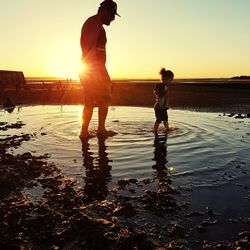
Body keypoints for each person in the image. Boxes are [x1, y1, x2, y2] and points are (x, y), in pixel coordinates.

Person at [79, 0, 120, 138]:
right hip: (92, 70)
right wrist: (94, 74)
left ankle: (98, 130)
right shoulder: (92, 24)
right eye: (113, 15)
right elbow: (89, 50)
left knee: (102, 100)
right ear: (105, 11)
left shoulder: (100, 26)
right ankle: (86, 132)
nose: (113, 19)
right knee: (91, 102)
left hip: (97, 69)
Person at [153, 68, 174, 134]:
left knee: (165, 119)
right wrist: (162, 105)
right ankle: (155, 131)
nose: (171, 81)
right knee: (158, 120)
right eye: (171, 79)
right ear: (166, 78)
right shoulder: (163, 87)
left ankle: (167, 129)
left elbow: (155, 91)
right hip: (160, 107)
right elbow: (160, 95)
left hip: (162, 107)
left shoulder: (162, 86)